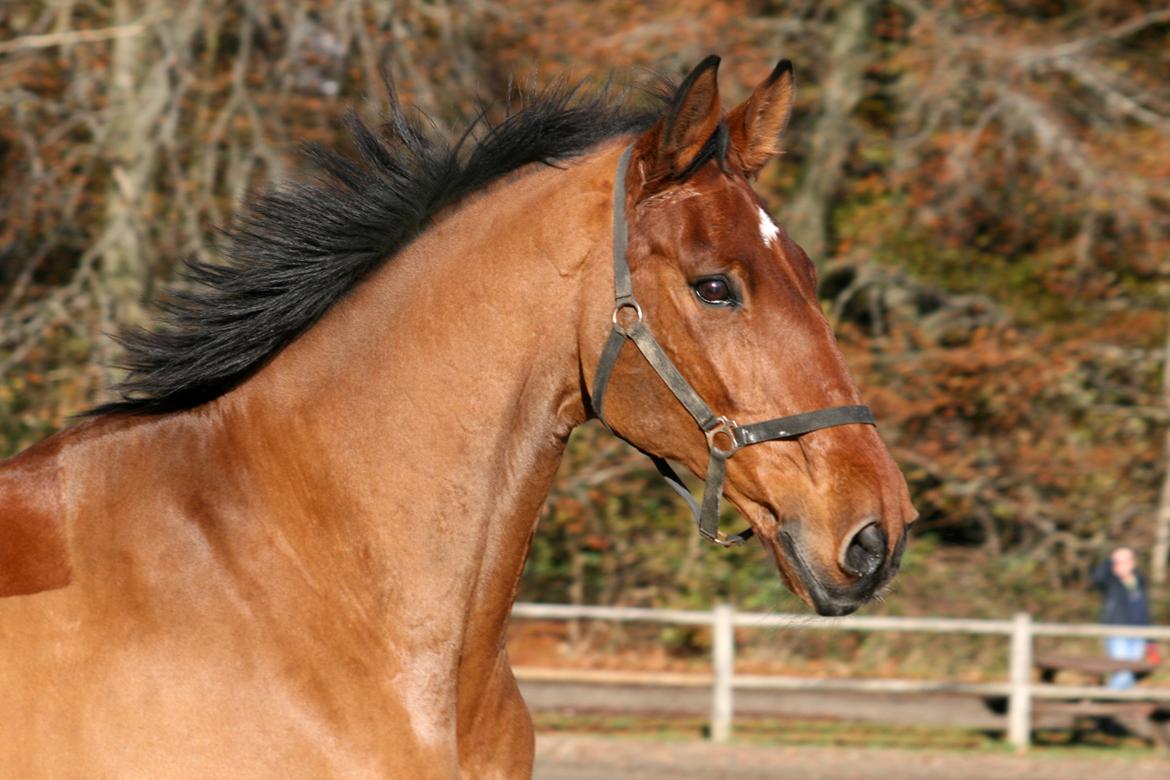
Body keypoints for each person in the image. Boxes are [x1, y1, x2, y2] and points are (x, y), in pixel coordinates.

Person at [1091, 547, 1151, 689]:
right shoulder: (1110, 581)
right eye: (1119, 561)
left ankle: (1114, 700)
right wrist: (1110, 560)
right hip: (1117, 632)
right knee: (1123, 672)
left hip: (1139, 633)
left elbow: (1144, 611)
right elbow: (1097, 577)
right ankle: (1107, 698)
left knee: (1132, 671)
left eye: (1127, 560)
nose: (1124, 564)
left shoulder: (1139, 580)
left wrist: (1151, 639)